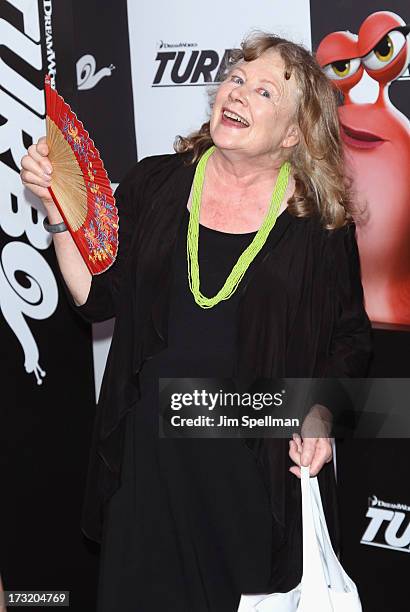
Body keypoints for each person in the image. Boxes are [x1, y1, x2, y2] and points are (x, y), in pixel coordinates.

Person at [20, 32, 372, 612]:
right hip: (150, 464)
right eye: (236, 78)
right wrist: (61, 217)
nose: (238, 92)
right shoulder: (154, 184)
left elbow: (351, 339)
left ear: (292, 135)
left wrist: (320, 411)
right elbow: (97, 300)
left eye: (263, 91)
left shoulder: (319, 224)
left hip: (253, 468)